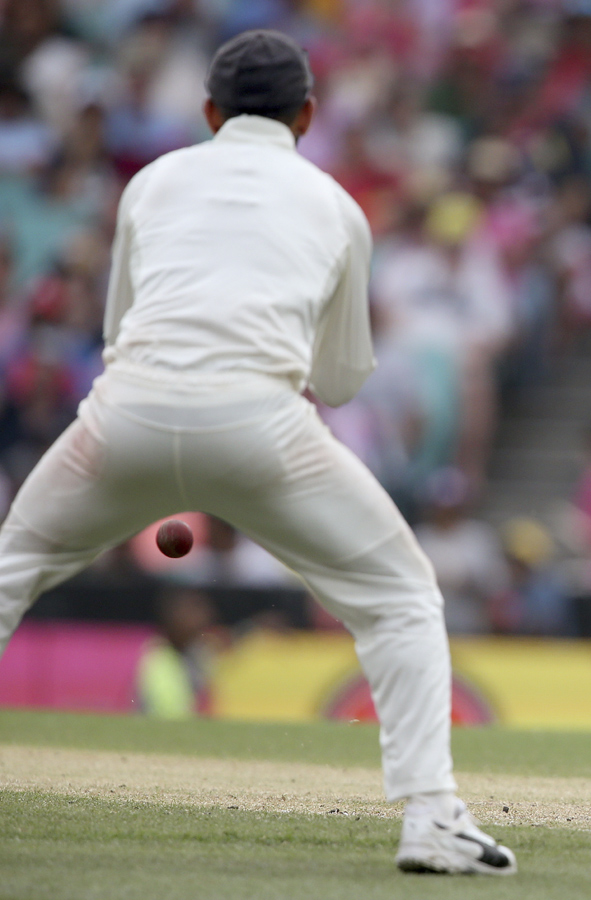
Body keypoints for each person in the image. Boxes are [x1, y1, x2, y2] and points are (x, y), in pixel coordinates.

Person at [0, 30, 515, 875]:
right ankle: (431, 819)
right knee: (401, 596)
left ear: (208, 112)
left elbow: (118, 330)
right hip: (260, 427)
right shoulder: (337, 205)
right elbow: (344, 382)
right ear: (308, 115)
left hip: (124, 414)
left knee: (11, 566)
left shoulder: (151, 181)